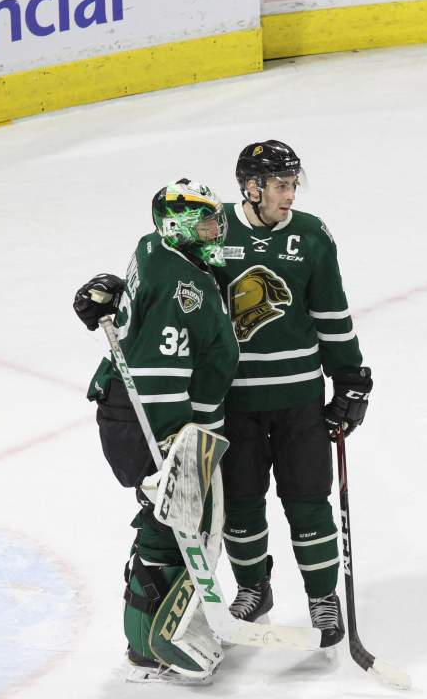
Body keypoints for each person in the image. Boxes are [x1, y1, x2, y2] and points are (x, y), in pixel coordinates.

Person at [72, 179, 239, 684]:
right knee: (179, 520)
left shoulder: (154, 250)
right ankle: (153, 645)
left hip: (132, 409)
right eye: (206, 220)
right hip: (154, 416)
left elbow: (137, 320)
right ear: (178, 222)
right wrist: (181, 441)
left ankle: (157, 632)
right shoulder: (184, 287)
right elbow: (168, 370)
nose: (216, 228)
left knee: (173, 517)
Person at [213, 140, 373, 648]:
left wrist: (349, 379)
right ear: (252, 187)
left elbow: (331, 313)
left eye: (293, 184)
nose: (290, 194)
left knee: (308, 501)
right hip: (235, 403)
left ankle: (322, 597)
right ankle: (253, 589)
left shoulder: (310, 234)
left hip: (299, 400)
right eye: (281, 185)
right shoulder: (213, 229)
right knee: (240, 504)